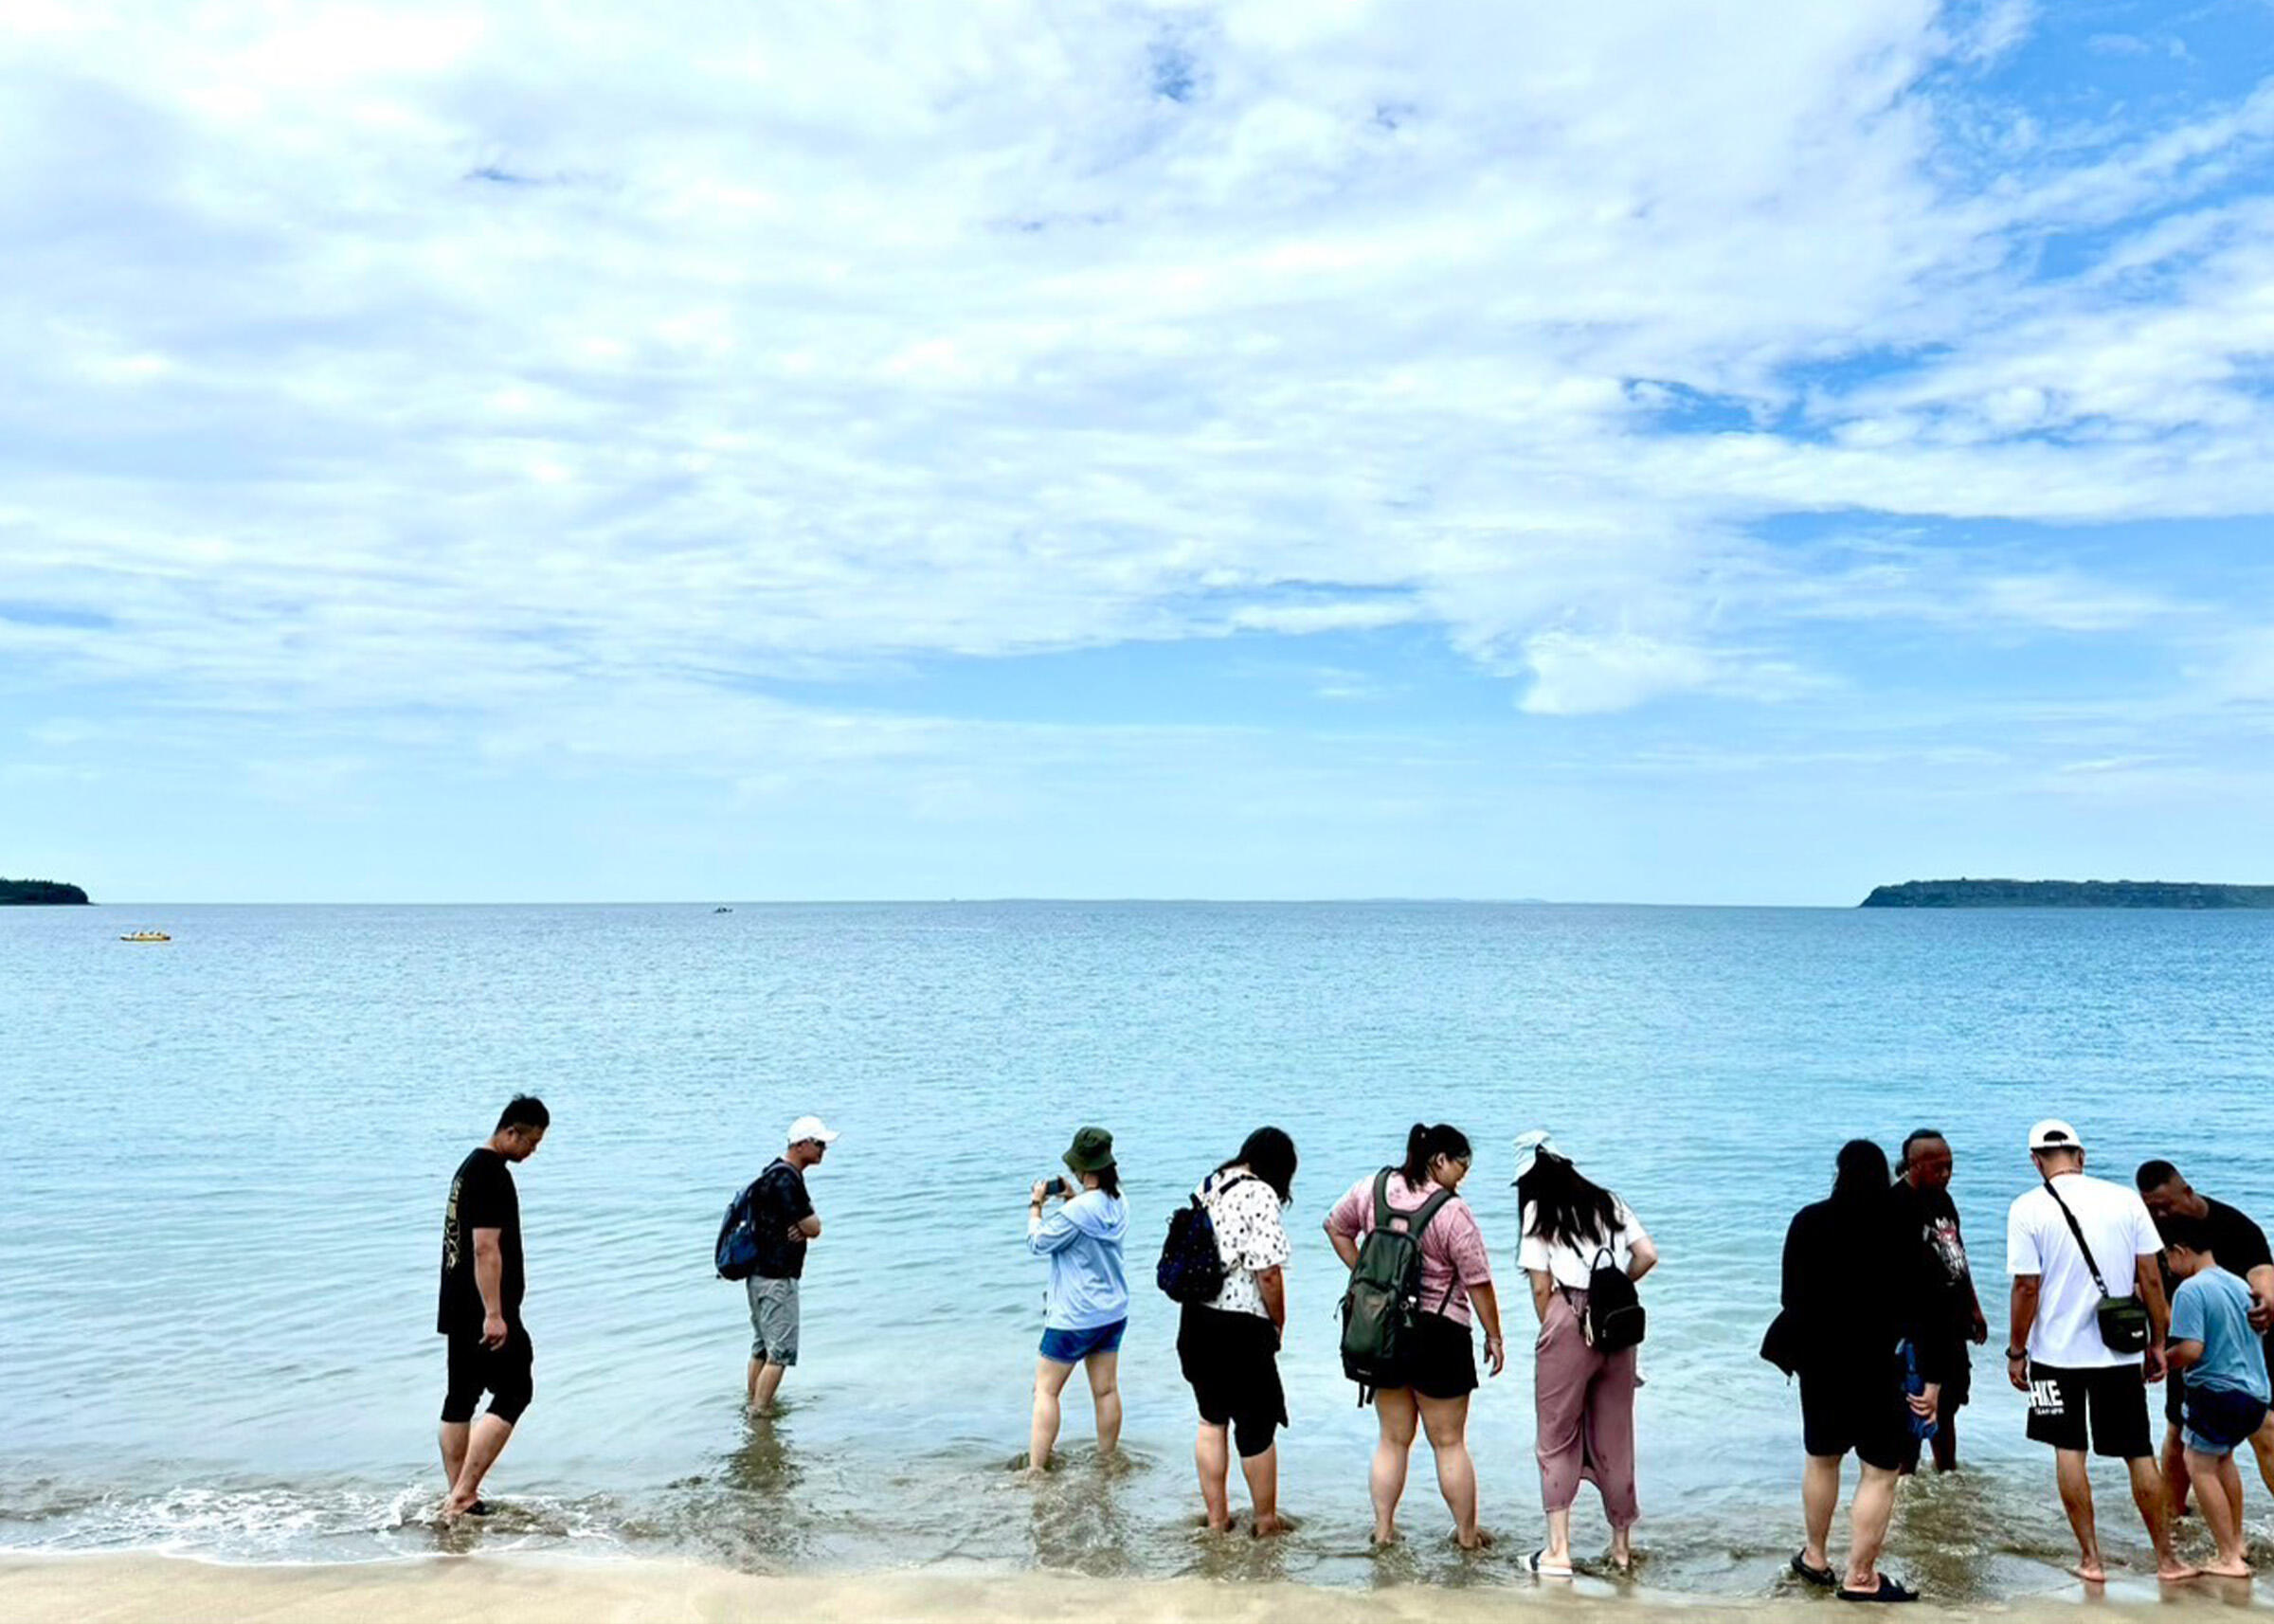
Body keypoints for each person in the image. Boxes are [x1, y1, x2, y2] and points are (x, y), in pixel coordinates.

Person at [2006, 1120, 2194, 1584]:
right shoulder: (2125, 1200)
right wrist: (2157, 1342)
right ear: (2081, 1155)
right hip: (2118, 1354)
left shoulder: (2026, 1208)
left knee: (2068, 1451)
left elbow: (2027, 1287)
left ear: (2035, 1161)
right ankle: (2167, 1560)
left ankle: (2091, 1560)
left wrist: (2017, 1351)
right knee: (2138, 1452)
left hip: (2054, 1357)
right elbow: (2151, 1279)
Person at [1768, 1139, 1941, 1603]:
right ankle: (1861, 1576)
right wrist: (1933, 1378)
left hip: (1820, 1363)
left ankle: (1815, 1558)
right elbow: (1923, 1308)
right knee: (1880, 1471)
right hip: (1880, 1364)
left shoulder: (1807, 1221)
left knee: (1822, 1459)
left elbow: (1790, 1298)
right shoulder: (1901, 1223)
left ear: (1839, 1173)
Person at [1325, 1123, 1506, 1551]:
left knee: (1392, 1439)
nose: (1462, 1178)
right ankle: (1466, 1538)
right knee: (1448, 1443)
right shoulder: (1452, 1211)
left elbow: (1335, 1227)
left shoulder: (1373, 1188)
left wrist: (1367, 1277)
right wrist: (1494, 1336)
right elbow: (1478, 1281)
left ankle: (1383, 1531)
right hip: (1440, 1333)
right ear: (1439, 1160)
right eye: (1460, 1167)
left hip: (1383, 1330)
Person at [1513, 1131, 1659, 1577]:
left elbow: (1541, 1285)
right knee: (1616, 1436)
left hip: (1569, 1314)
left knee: (1555, 1436)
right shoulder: (1609, 1201)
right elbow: (1647, 1254)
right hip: (1618, 1321)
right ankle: (1621, 1550)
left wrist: (1555, 1325)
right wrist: (1618, 1286)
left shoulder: (1538, 1211)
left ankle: (1558, 1552)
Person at [1178, 1127, 1297, 1535]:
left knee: (1211, 1420)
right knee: (1257, 1426)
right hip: (1242, 1325)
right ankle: (1265, 1522)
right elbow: (1267, 1272)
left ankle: (1217, 1522)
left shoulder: (1210, 1185)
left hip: (1196, 1319)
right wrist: (1278, 1321)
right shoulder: (1260, 1193)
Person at [2136, 1159, 2274, 1512]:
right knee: (2179, 1431)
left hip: (2244, 1340)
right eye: (2152, 1208)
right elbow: (2145, 1285)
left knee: (2266, 1428)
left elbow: (2261, 1270)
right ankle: (2173, 1515)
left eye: (2165, 1206)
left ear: (2187, 1191)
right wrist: (2170, 1329)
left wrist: (2267, 1297)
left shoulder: (2234, 1225)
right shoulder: (2149, 1232)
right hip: (2187, 1342)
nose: (2160, 1215)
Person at [437, 1094, 549, 1519]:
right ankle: (464, 1494)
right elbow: (485, 1248)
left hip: (456, 1303)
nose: (533, 1151)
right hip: (484, 1308)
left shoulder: (468, 1169)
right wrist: (495, 1314)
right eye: (531, 1142)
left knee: (460, 1398)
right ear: (511, 1132)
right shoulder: (491, 1175)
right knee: (517, 1390)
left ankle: (459, 1496)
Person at [2158, 1214, 2271, 1579]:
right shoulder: (2239, 1285)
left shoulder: (2190, 1290)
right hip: (2255, 1394)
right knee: (2223, 1461)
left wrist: (2160, 1361)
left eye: (2167, 1257)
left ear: (2180, 1251)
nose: (2167, 1266)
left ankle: (2228, 1558)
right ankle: (2236, 1543)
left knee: (2199, 1464)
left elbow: (2191, 1349)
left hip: (2216, 1392)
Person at [1025, 1126, 1129, 1473]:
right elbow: (1089, 1229)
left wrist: (1036, 1205)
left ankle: (1036, 1470)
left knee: (1045, 1391)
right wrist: (1073, 1199)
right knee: (1106, 1390)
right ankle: (1107, 1461)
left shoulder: (1078, 1212)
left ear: (1082, 1168)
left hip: (1074, 1316)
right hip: (1112, 1312)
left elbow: (1038, 1242)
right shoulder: (1119, 1201)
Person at [1889, 1130, 1989, 1473]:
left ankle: (1947, 1476)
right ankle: (1905, 1483)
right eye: (1938, 1168)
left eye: (1950, 1166)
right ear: (1914, 1165)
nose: (1946, 1174)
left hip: (1951, 1322)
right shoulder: (1897, 1206)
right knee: (1914, 1411)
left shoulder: (1943, 1200)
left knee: (1948, 1406)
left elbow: (1957, 1255)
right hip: (1916, 1328)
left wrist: (1974, 1307)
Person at [745, 1114, 839, 1414]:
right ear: (801, 1145)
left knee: (761, 1348)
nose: (824, 1150)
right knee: (780, 1353)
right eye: (819, 1143)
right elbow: (814, 1227)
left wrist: (802, 1226)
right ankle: (760, 1413)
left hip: (757, 1275)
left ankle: (753, 1406)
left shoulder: (770, 1172)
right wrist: (806, 1226)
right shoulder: (788, 1179)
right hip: (777, 1278)